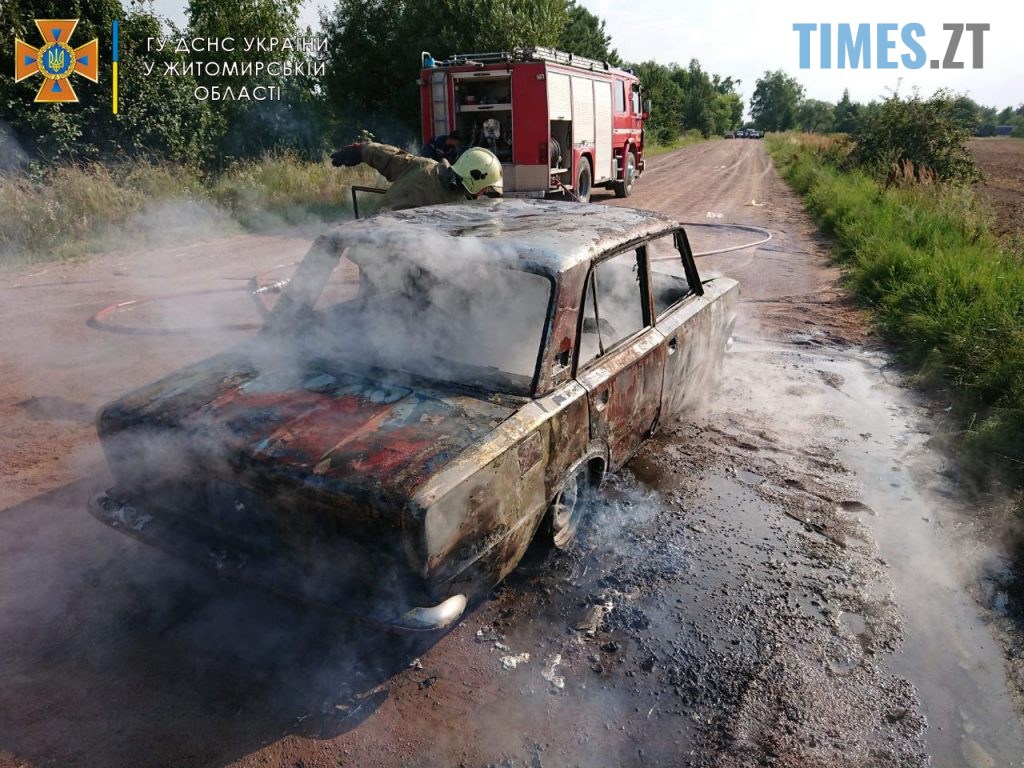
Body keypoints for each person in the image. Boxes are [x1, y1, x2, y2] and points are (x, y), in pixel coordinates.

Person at [330, 141, 502, 213]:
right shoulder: (460, 209)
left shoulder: (424, 165)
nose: (484, 193)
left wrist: (360, 150)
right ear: (476, 184)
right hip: (403, 261)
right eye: (485, 189)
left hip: (370, 239)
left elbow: (386, 156)